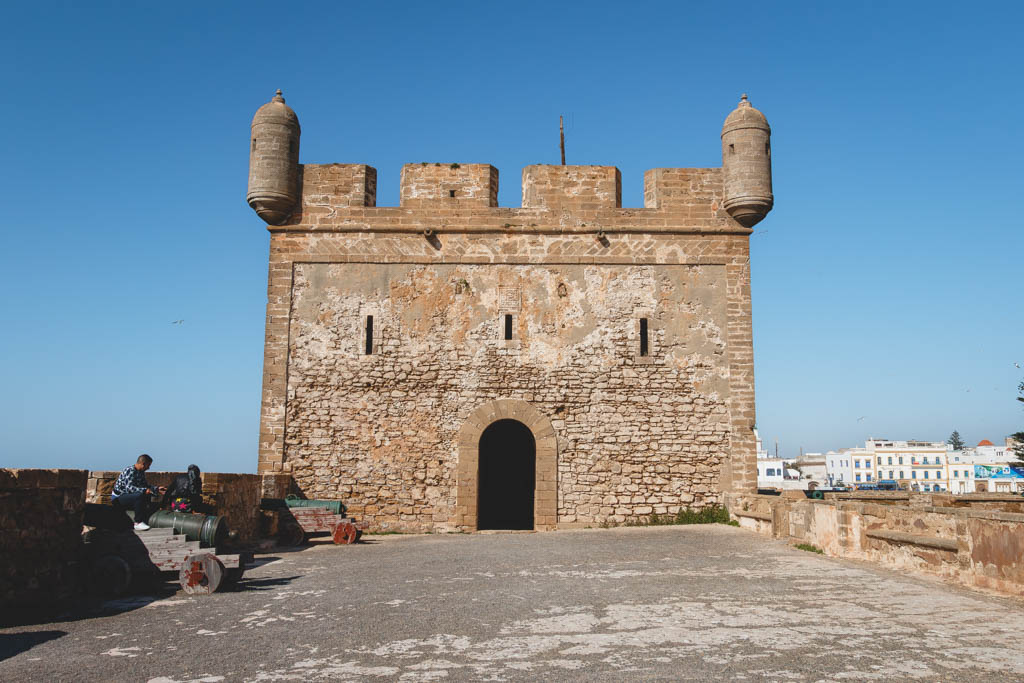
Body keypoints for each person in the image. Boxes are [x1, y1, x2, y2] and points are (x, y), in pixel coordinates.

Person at [111, 454, 166, 531]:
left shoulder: (140, 472)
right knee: (139, 495)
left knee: (146, 495)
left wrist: (157, 489)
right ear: (143, 464)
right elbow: (129, 488)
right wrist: (144, 490)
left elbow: (145, 485)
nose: (149, 468)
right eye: (148, 465)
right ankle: (138, 522)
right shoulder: (130, 470)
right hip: (119, 497)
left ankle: (146, 516)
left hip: (129, 496)